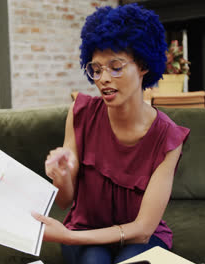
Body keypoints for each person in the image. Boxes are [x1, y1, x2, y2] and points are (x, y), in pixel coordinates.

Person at [31, 3, 190, 264]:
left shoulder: (168, 138)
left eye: (116, 66)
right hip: (85, 229)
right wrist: (61, 179)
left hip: (140, 237)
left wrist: (67, 237)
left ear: (143, 66)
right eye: (96, 68)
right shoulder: (80, 113)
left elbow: (142, 230)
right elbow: (64, 202)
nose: (103, 78)